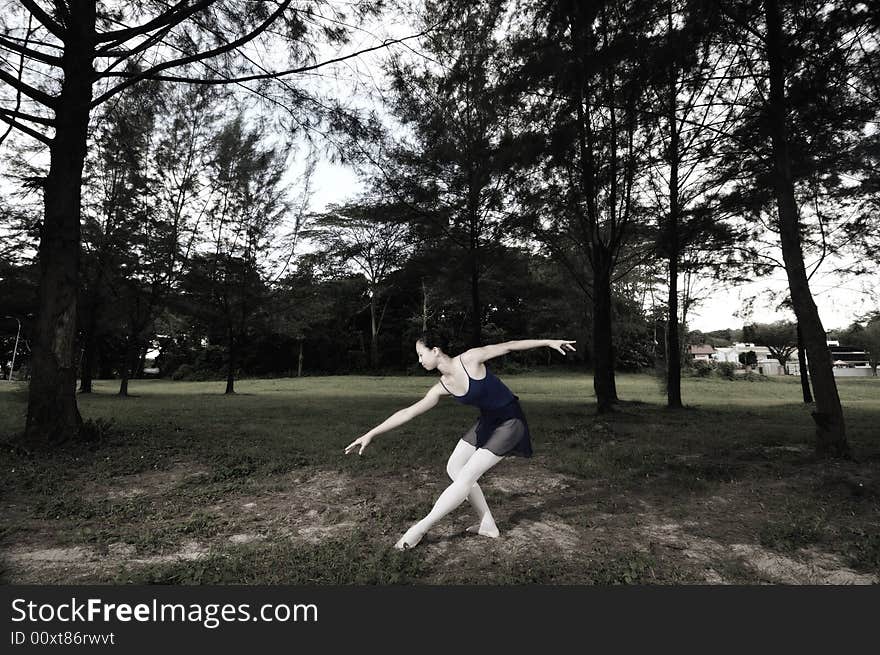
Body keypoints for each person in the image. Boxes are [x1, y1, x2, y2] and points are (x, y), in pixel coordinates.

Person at [344, 332, 576, 550]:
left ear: (435, 350)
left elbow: (509, 346)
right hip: (487, 422)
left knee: (465, 477)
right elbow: (408, 412)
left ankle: (418, 529)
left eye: (421, 354)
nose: (419, 360)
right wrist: (371, 433)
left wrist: (548, 342)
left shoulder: (471, 359)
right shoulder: (443, 386)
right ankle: (487, 525)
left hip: (510, 422)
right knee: (454, 467)